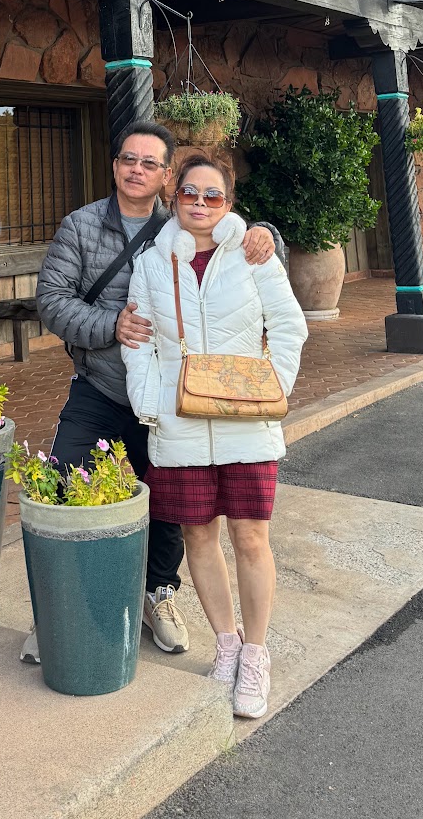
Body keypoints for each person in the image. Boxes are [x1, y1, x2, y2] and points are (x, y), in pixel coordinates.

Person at [29, 122, 278, 663]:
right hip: (100, 384)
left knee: (169, 507)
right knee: (65, 481)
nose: (136, 169)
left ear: (166, 176)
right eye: (128, 159)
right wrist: (109, 326)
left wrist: (266, 233)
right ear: (115, 165)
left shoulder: (181, 223)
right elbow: (51, 300)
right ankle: (58, 607)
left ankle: (158, 594)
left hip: (171, 398)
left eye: (149, 163)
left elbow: (232, 235)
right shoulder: (81, 225)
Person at [122, 152, 308, 721]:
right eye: (190, 194)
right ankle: (225, 644)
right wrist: (151, 406)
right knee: (198, 539)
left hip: (247, 424)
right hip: (178, 424)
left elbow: (290, 326)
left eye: (213, 196)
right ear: (173, 197)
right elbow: (140, 342)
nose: (200, 205)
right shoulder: (153, 263)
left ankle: (256, 652)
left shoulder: (254, 253)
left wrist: (268, 387)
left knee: (251, 538)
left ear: (228, 202)